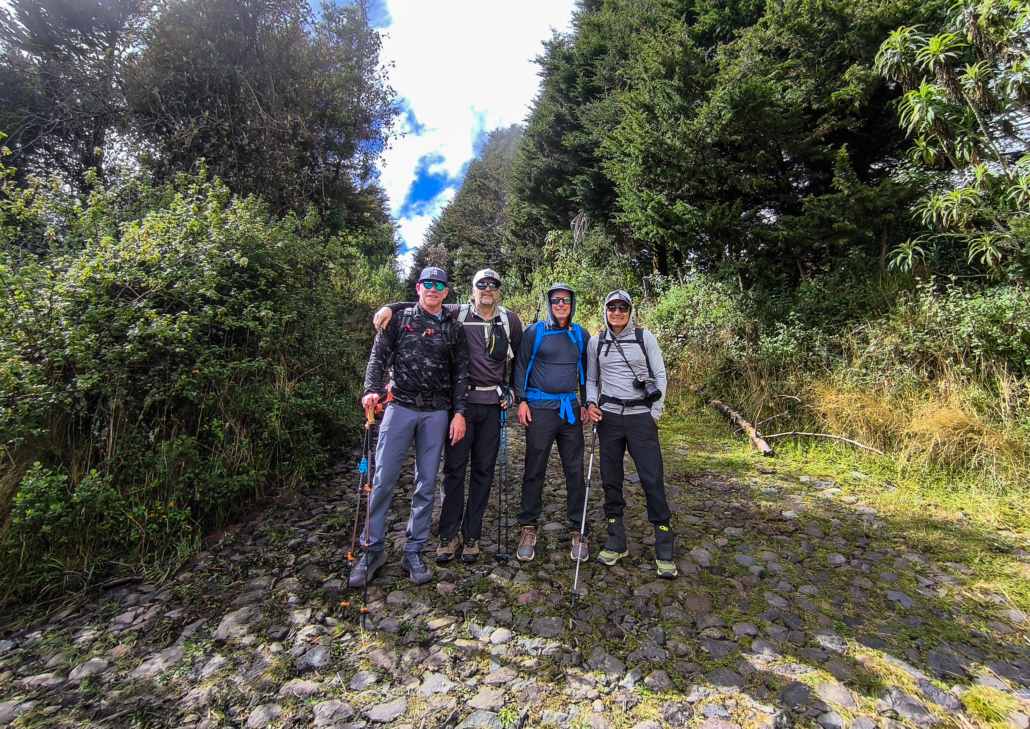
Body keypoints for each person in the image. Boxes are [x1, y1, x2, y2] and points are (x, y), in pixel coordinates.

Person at [372, 268, 523, 564]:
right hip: (460, 406)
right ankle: (448, 534)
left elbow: (520, 358)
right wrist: (390, 307)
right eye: (482, 284)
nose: (487, 289)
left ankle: (472, 536)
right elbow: (425, 305)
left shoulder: (510, 320)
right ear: (473, 288)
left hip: (493, 405)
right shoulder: (457, 312)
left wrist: (514, 392)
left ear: (499, 291)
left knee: (483, 471)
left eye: (493, 285)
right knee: (453, 470)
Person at [349, 267, 469, 588]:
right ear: (418, 288)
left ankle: (413, 550)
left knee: (426, 483)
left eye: (439, 285)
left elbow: (460, 375)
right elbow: (377, 357)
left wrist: (460, 412)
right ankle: (372, 549)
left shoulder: (454, 329)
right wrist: (371, 390)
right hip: (399, 405)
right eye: (427, 284)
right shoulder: (398, 320)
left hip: (437, 411)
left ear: (446, 292)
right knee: (383, 478)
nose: (432, 289)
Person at [584, 290, 675, 578]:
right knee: (611, 479)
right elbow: (591, 379)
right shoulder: (596, 343)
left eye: (623, 307)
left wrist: (656, 412)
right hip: (609, 417)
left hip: (641, 418)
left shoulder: (644, 338)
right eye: (612, 307)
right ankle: (616, 538)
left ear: (630, 311)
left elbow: (660, 375)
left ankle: (664, 542)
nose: (617, 312)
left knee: (652, 479)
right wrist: (590, 403)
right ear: (605, 311)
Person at [514, 283, 591, 563]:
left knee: (575, 470)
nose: (561, 304)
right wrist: (521, 400)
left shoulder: (579, 334)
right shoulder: (535, 332)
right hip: (539, 409)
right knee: (534, 468)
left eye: (566, 300)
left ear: (573, 303)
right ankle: (528, 527)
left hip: (570, 409)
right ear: (549, 303)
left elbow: (586, 370)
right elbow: (520, 366)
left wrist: (585, 401)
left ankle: (578, 528)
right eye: (556, 300)